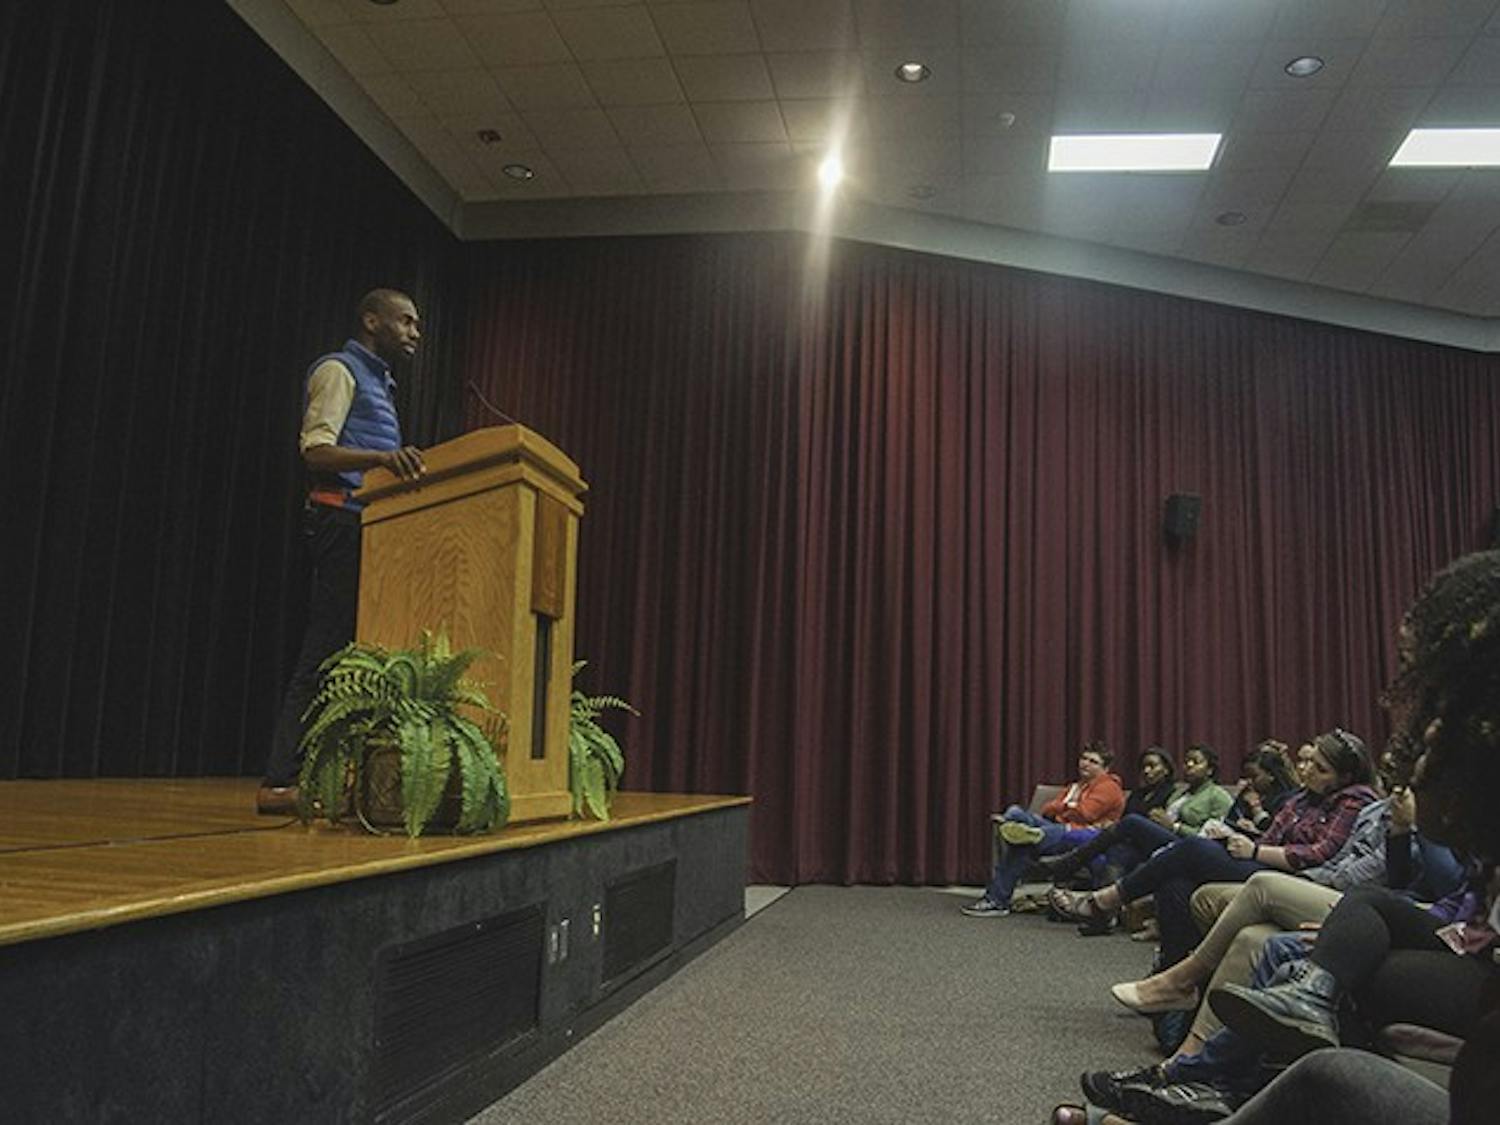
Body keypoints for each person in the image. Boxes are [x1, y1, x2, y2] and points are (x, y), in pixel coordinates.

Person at [257, 289, 428, 814]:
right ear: (371, 320)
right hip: (338, 521)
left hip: (369, 527)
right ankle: (279, 782)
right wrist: (383, 457)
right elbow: (316, 451)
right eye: (405, 321)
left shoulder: (382, 383)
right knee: (324, 651)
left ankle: (338, 777)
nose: (415, 332)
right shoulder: (339, 370)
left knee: (354, 657)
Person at [1050, 730, 1379, 966]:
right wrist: (1241, 841)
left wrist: (1252, 849)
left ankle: (1106, 899)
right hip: (1260, 859)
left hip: (1300, 877)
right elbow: (1270, 836)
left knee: (1187, 848)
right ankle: (1171, 968)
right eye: (1308, 764)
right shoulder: (1301, 798)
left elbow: (1321, 853)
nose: (1305, 770)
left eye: (1319, 768)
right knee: (1173, 879)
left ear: (1345, 776)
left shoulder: (1354, 800)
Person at [1040, 745, 1233, 901]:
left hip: (1185, 845)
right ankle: (1103, 912)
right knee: (1120, 852)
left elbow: (1210, 840)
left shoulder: (1218, 796)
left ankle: (1069, 863)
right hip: (1158, 842)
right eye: (1186, 761)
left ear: (1210, 770)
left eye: (1196, 762)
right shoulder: (1181, 794)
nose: (1188, 765)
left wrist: (1174, 826)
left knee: (1131, 822)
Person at [961, 742, 1124, 917]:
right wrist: (1069, 806)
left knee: (1023, 846)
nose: (1085, 763)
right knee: (1016, 812)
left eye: (1093, 761)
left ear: (1105, 768)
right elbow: (1047, 809)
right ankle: (1028, 834)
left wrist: (1064, 807)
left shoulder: (1108, 787)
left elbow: (1086, 813)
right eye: (1084, 758)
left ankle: (996, 901)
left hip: (1083, 836)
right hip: (1056, 827)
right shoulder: (1075, 787)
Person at [1225, 742, 1298, 837]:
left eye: (1254, 776)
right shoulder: (1247, 793)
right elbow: (1229, 820)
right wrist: (1239, 823)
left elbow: (1276, 833)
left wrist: (1256, 809)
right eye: (1246, 776)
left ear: (1271, 775)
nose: (1249, 781)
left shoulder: (1288, 799)